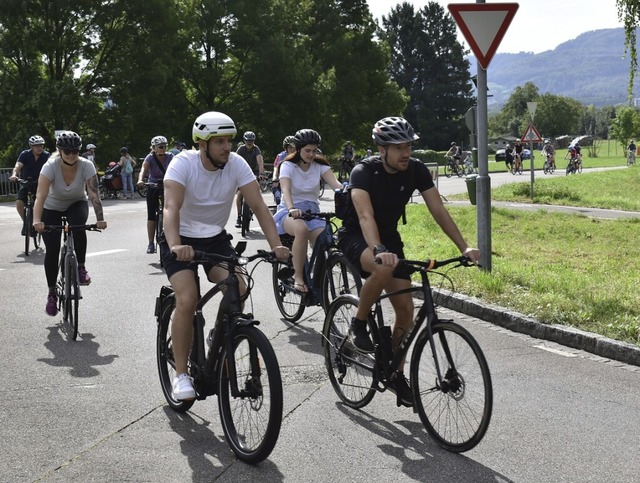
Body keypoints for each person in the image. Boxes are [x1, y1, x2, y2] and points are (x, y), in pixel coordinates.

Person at [337, 116, 480, 407]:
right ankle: (358, 323)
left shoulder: (415, 170)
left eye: (408, 147)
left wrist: (464, 246)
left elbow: (438, 210)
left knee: (405, 310)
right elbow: (365, 216)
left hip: (389, 239)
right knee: (383, 265)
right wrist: (377, 248)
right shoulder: (363, 172)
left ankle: (395, 374)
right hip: (357, 236)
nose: (406, 153)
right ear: (382, 149)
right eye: (398, 147)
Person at [161, 111, 290, 400]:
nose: (226, 147)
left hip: (215, 239)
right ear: (202, 144)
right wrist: (175, 244)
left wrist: (276, 245)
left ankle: (219, 333)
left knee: (239, 286)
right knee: (187, 297)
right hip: (179, 236)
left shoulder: (236, 165)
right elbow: (170, 208)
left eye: (228, 140)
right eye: (218, 141)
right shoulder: (183, 164)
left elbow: (258, 206)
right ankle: (181, 375)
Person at [32, 131, 107, 316]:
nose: (72, 154)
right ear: (60, 150)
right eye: (67, 151)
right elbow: (40, 196)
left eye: (75, 150)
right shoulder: (50, 166)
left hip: (76, 204)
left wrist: (100, 218)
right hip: (51, 207)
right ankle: (51, 293)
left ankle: (80, 267)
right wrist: (36, 220)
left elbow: (93, 194)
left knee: (78, 226)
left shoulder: (86, 165)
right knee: (52, 249)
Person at [273, 129, 343, 292]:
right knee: (301, 229)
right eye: (307, 151)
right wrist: (291, 208)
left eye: (314, 150)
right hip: (290, 212)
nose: (311, 154)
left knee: (325, 238)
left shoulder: (320, 165)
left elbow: (336, 185)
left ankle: (319, 278)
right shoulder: (288, 165)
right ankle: (298, 277)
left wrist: (350, 192)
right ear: (298, 149)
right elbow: (286, 190)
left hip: (313, 213)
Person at [137, 136, 174, 253]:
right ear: (154, 148)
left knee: (173, 211)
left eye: (165, 146)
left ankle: (174, 238)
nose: (163, 149)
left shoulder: (171, 157)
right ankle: (151, 243)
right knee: (152, 215)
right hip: (153, 186)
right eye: (160, 147)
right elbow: (143, 170)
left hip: (167, 185)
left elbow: (178, 169)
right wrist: (140, 180)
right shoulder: (150, 158)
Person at [9, 135, 50, 235]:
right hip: (26, 182)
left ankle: (39, 222)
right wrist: (14, 175)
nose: (39, 148)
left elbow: (51, 168)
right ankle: (26, 223)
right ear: (31, 147)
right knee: (19, 202)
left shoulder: (46, 156)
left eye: (41, 145)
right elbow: (18, 165)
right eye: (36, 146)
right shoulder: (25, 154)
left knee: (43, 203)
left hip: (40, 183)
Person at [234, 131, 265, 227]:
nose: (249, 143)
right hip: (243, 171)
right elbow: (235, 161)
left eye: (251, 141)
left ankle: (252, 209)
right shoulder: (241, 149)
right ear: (244, 141)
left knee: (256, 190)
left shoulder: (256, 149)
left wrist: (261, 174)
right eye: (248, 141)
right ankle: (239, 217)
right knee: (239, 195)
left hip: (253, 172)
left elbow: (260, 162)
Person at [272, 135, 296, 205]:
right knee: (278, 199)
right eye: (289, 147)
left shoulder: (299, 157)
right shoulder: (281, 156)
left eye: (293, 147)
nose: (292, 149)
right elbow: (276, 168)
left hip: (294, 183)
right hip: (280, 181)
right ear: (286, 148)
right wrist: (275, 179)